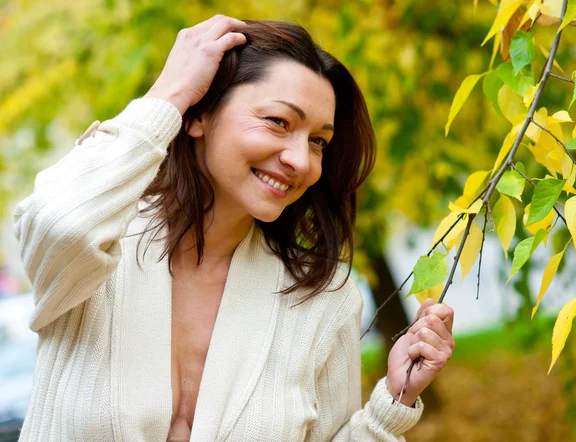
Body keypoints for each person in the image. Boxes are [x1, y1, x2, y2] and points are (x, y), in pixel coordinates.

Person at [12, 16, 455, 442]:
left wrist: (395, 399)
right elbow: (61, 224)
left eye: (318, 140)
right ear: (198, 115)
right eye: (278, 122)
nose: (301, 161)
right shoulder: (99, 248)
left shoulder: (323, 298)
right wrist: (168, 94)